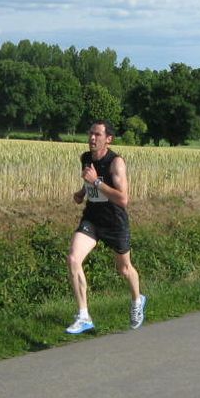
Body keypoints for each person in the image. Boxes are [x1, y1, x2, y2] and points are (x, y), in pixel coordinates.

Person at [65, 120, 146, 334]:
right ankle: (84, 315)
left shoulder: (116, 163)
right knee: (73, 259)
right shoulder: (85, 158)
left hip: (114, 221)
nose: (92, 138)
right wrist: (82, 193)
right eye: (90, 133)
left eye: (97, 135)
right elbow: (89, 182)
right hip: (92, 218)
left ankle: (137, 300)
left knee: (124, 269)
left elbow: (123, 199)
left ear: (108, 139)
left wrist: (97, 182)